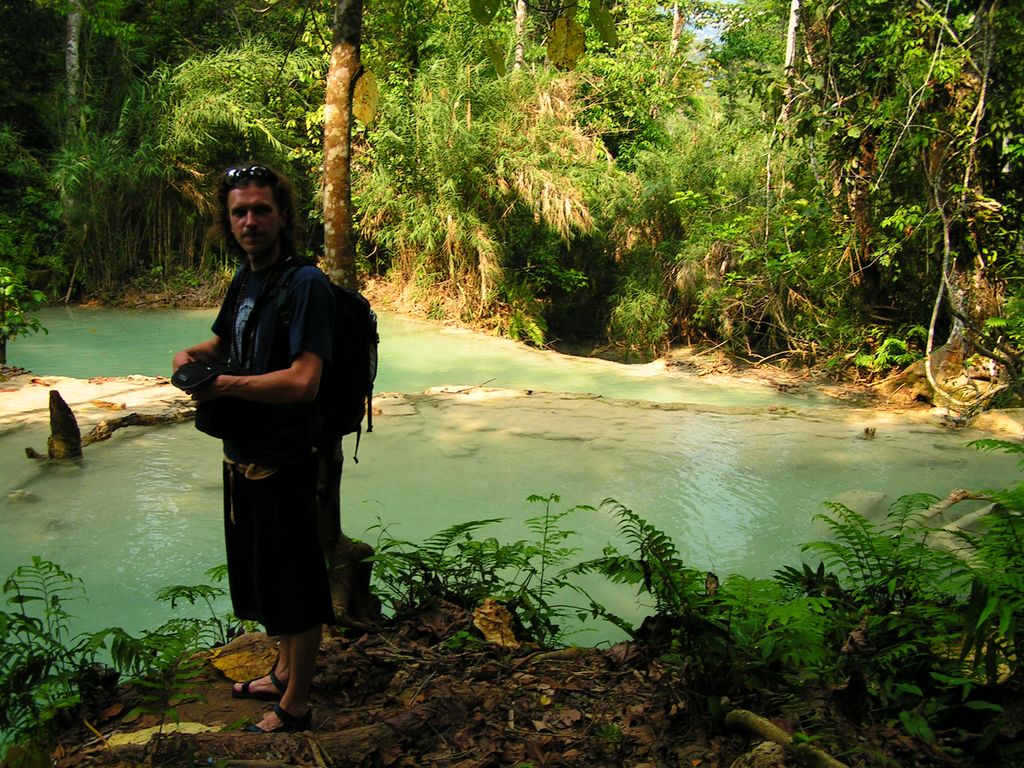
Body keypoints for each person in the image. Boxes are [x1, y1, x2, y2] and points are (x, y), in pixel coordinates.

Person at [172, 163, 335, 734]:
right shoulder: (245, 278)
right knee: (265, 577)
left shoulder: (306, 284)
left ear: (283, 216)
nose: (249, 221)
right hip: (242, 453)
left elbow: (304, 380)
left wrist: (220, 386)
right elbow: (221, 341)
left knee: (295, 583)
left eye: (261, 210)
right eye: (239, 211)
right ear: (229, 220)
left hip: (285, 458)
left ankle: (296, 705)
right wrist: (188, 359)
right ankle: (284, 671)